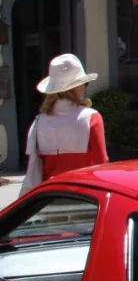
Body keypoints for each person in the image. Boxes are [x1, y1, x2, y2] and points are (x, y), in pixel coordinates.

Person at [22, 54, 108, 193]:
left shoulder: (39, 122)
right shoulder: (91, 117)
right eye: (84, 83)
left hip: (49, 195)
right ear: (76, 87)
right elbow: (102, 162)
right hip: (85, 194)